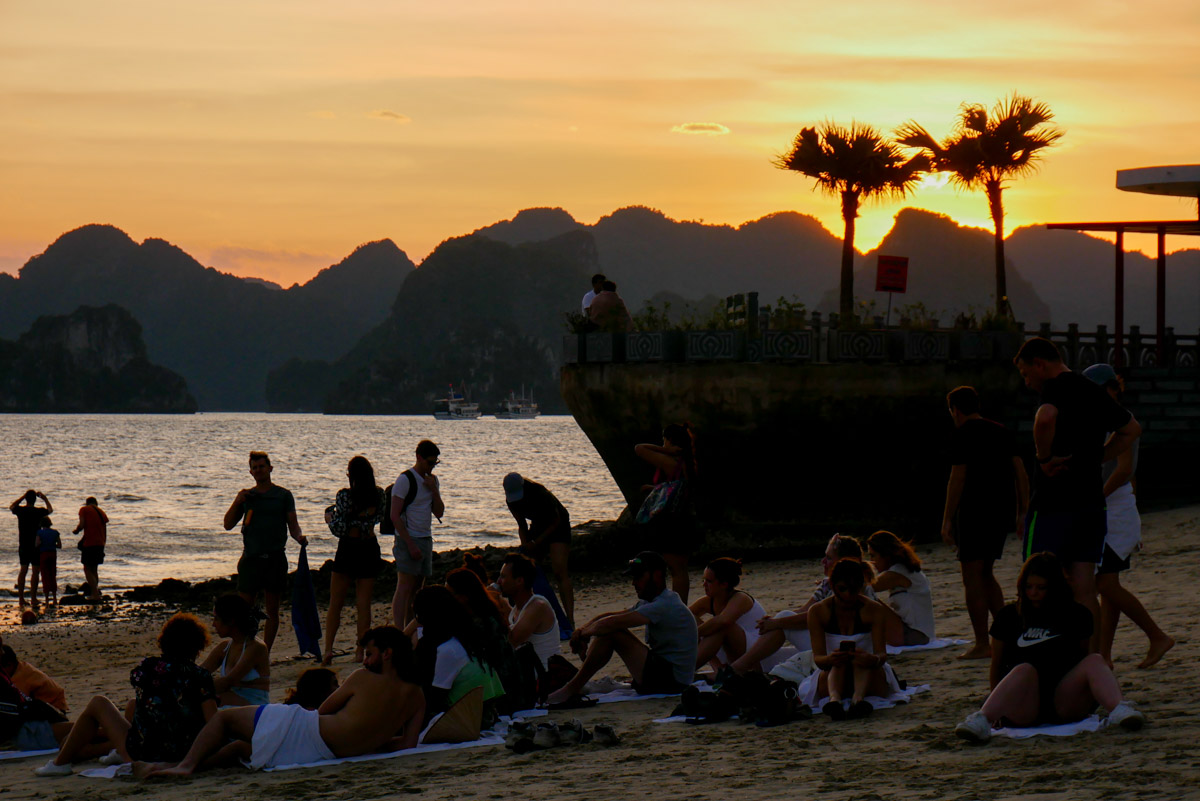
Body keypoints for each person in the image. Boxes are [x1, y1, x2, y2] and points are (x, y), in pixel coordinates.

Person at [138, 626, 425, 776]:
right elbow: (407, 744)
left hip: (308, 732)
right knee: (241, 747)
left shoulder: (363, 678)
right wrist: (374, 739)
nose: (366, 660)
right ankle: (175, 765)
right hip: (324, 752)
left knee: (225, 719)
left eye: (370, 653)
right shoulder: (417, 696)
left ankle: (185, 766)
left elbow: (322, 711)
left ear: (387, 654)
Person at [1014, 337, 1141, 649]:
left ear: (1040, 364)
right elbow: (1131, 429)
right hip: (1090, 503)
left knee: (1037, 578)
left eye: (1025, 373)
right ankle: (1092, 660)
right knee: (1085, 587)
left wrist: (1044, 459)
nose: (1026, 381)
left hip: (1053, 503)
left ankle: (1038, 649)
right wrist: (1098, 456)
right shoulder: (1092, 391)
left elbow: (1044, 418)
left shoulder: (1055, 388)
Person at [954, 552, 1146, 743]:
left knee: (1095, 660)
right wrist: (998, 708)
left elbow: (1085, 658)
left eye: (1041, 587)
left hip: (1064, 699)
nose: (1033, 593)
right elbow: (996, 666)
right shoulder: (1009, 616)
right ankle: (983, 718)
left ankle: (1120, 708)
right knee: (1024, 668)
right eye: (1028, 587)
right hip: (1025, 702)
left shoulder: (1076, 614)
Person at [35, 613, 217, 776]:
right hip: (187, 750)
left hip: (145, 753)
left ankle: (60, 764)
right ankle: (112, 752)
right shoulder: (200, 676)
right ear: (198, 646)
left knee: (99, 703)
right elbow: (212, 723)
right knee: (134, 705)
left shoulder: (147, 668)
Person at [1081, 364, 1174, 669]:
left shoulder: (1122, 420)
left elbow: (1124, 471)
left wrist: (1098, 498)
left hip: (1114, 509)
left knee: (1105, 584)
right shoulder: (1099, 420)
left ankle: (1156, 635)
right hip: (1113, 508)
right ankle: (1104, 655)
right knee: (1108, 584)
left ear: (1110, 389)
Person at [942, 385, 1030, 659]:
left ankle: (982, 642)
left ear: (955, 410)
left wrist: (946, 519)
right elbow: (1021, 472)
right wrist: (1022, 510)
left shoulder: (962, 435)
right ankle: (1007, 634)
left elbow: (958, 478)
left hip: (973, 511)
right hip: (999, 511)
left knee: (972, 577)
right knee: (987, 573)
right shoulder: (1001, 431)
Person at [547, 551, 698, 706]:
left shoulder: (664, 604)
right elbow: (612, 616)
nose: (633, 583)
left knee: (613, 632)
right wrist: (581, 631)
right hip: (665, 674)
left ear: (657, 575)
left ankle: (571, 688)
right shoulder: (654, 600)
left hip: (672, 682)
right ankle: (575, 685)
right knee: (610, 628)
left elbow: (613, 623)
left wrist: (585, 633)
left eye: (638, 577)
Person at [731, 533, 876, 673]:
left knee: (784, 618)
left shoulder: (855, 586)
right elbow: (805, 610)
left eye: (829, 558)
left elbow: (814, 617)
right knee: (769, 656)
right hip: (826, 644)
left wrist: (778, 623)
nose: (823, 562)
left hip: (844, 650)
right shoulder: (828, 583)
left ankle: (735, 669)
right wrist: (773, 621)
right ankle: (741, 671)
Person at [223, 451, 308, 653]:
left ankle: (264, 652)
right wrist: (237, 501)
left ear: (270, 468)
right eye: (255, 467)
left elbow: (293, 525)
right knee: (243, 611)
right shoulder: (247, 497)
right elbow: (227, 524)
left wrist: (300, 538)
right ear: (251, 472)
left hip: (275, 559)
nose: (259, 470)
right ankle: (243, 648)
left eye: (262, 466)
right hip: (251, 559)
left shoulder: (283, 496)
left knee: (272, 611)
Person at [807, 559, 894, 720]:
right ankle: (835, 700)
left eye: (854, 589)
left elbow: (881, 654)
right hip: (832, 671)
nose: (848, 595)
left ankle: (858, 699)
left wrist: (872, 659)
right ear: (832, 586)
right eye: (842, 589)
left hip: (868, 672)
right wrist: (831, 658)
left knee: (859, 660)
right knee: (840, 662)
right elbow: (818, 659)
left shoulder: (874, 610)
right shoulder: (819, 612)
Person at [323, 455, 390, 665]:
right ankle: (360, 652)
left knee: (336, 602)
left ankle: (328, 650)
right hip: (369, 546)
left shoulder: (344, 496)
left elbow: (340, 527)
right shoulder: (379, 495)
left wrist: (329, 519)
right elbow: (378, 519)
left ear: (350, 475)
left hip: (348, 547)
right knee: (364, 604)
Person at [412, 585, 505, 727]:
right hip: (486, 712)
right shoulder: (464, 638)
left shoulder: (447, 650)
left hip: (471, 718)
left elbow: (435, 698)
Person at [634, 423, 697, 601]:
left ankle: (679, 608)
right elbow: (677, 488)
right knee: (680, 568)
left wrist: (666, 451)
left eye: (664, 441)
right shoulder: (687, 463)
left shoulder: (671, 461)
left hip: (671, 522)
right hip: (685, 520)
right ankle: (681, 606)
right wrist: (654, 488)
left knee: (676, 570)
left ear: (670, 441)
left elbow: (639, 448)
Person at [503, 472, 574, 629]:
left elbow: (555, 521)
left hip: (558, 523)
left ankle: (570, 620)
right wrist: (526, 546)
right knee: (531, 570)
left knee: (559, 571)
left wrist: (536, 542)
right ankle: (536, 616)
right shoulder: (511, 500)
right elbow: (522, 525)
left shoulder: (539, 493)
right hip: (538, 525)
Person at [390, 440, 444, 627]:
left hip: (425, 537)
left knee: (418, 591)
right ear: (418, 457)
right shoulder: (405, 480)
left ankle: (410, 629)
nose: (431, 467)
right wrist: (409, 543)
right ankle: (398, 630)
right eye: (429, 462)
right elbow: (394, 515)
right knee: (404, 588)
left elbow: (439, 512)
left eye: (435, 463)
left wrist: (434, 491)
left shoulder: (432, 481)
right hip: (407, 538)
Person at [689, 558, 767, 669]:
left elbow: (723, 620)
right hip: (728, 648)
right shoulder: (707, 601)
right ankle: (717, 668)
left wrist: (692, 634)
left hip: (757, 648)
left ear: (724, 584)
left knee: (722, 626)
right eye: (704, 580)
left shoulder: (741, 598)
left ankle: (684, 671)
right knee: (690, 619)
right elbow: (682, 617)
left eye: (709, 581)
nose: (704, 585)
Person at [199, 594, 271, 707]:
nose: (213, 624)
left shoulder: (256, 647)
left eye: (216, 618)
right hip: (233, 703)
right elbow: (200, 672)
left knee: (206, 702)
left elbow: (227, 682)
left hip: (255, 708)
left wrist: (196, 690)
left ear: (231, 621)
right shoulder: (224, 647)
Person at [867, 530, 935, 647]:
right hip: (914, 633)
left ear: (885, 554)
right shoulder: (903, 569)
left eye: (873, 556)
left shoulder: (898, 572)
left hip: (915, 636)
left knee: (865, 597)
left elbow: (868, 587)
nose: (872, 562)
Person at [497, 552, 560, 668]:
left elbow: (511, 642)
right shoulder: (517, 610)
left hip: (544, 678)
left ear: (519, 581)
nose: (499, 582)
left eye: (503, 577)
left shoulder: (538, 606)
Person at [10, 490, 52, 607]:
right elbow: (50, 510)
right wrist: (44, 498)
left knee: (23, 570)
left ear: (26, 499)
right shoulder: (38, 512)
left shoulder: (21, 511)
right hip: (36, 545)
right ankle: (33, 598)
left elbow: (12, 506)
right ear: (35, 500)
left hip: (23, 544)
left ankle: (21, 599)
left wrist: (22, 497)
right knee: (35, 571)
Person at [1, 644, 68, 713]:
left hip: (54, 709)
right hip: (49, 705)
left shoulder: (22, 677)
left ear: (9, 665)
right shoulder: (21, 667)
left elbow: (16, 699)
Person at [73, 496, 109, 602]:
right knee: (94, 569)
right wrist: (103, 544)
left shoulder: (84, 509)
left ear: (87, 503)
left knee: (87, 568)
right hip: (100, 544)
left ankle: (95, 594)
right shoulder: (102, 512)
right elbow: (104, 531)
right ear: (96, 503)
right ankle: (95, 593)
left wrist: (77, 530)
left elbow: (82, 524)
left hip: (90, 544)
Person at [34, 517, 61, 605]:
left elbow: (37, 544)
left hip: (43, 554)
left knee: (45, 575)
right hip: (53, 554)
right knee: (52, 575)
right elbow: (59, 545)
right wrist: (52, 544)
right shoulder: (55, 532)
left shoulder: (40, 532)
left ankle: (46, 599)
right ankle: (54, 598)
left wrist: (42, 544)